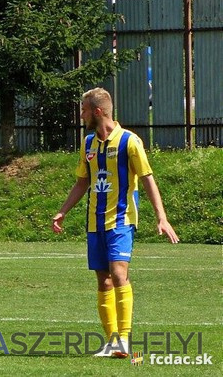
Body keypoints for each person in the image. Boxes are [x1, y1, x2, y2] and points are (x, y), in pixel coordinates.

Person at [52, 87, 179, 358]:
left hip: (121, 220)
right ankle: (112, 342)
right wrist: (63, 210)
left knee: (119, 274)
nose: (82, 114)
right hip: (94, 222)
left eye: (84, 110)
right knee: (103, 281)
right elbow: (82, 181)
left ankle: (124, 338)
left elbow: (147, 178)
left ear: (97, 112)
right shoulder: (88, 144)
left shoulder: (130, 142)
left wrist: (161, 217)